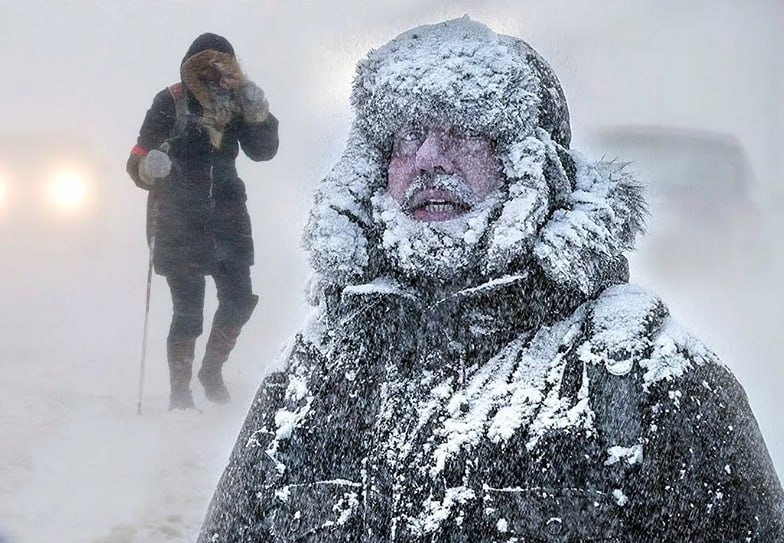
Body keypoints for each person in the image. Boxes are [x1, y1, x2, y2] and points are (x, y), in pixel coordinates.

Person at [198, 18, 783, 541]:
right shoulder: (314, 371)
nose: (429, 156)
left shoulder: (646, 377)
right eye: (406, 136)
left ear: (530, 164)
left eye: (464, 130)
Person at [126, 33, 279, 410]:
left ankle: (211, 370)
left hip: (228, 218)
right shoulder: (171, 102)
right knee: (188, 311)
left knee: (239, 299)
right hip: (179, 219)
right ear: (192, 68)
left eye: (221, 66)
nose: (214, 74)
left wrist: (261, 114)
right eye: (205, 67)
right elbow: (137, 160)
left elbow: (263, 152)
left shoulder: (238, 103)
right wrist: (149, 167)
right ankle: (181, 394)